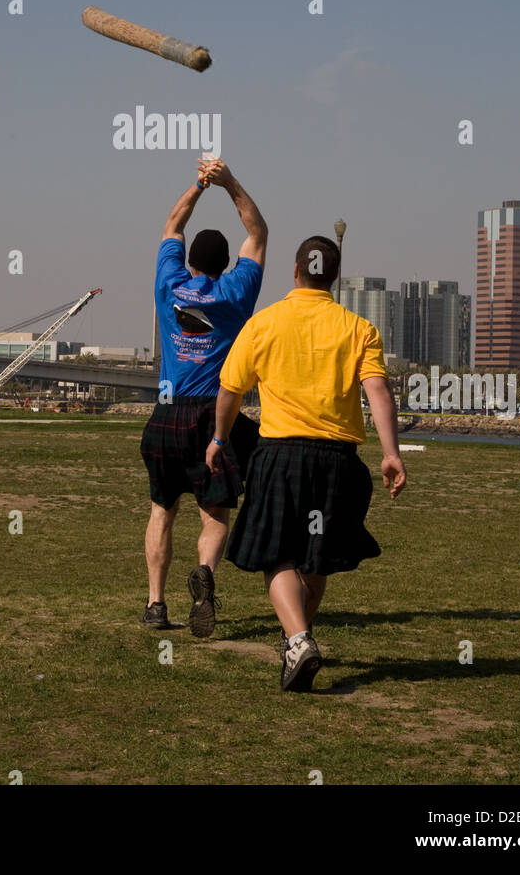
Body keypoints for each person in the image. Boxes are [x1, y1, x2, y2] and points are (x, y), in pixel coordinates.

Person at [206, 235, 406, 691]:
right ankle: (296, 641)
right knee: (314, 558)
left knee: (277, 556)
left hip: (280, 456)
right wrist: (390, 452)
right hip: (338, 462)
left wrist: (219, 439)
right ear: (333, 277)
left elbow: (230, 392)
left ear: (295, 271)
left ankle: (298, 639)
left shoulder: (263, 323)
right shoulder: (358, 328)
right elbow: (377, 391)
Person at [140, 157, 267, 637]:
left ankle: (155, 604)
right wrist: (230, 182)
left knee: (161, 509)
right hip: (213, 417)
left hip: (166, 413)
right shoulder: (236, 291)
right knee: (214, 513)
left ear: (190, 260)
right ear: (224, 263)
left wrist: (199, 183)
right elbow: (258, 233)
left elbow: (173, 222)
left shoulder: (168, 284)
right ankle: (206, 577)